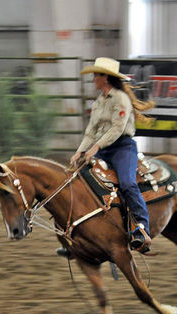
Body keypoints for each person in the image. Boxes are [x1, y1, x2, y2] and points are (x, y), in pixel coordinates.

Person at [57, 57, 154, 257]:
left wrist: (95, 147)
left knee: (127, 183)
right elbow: (91, 132)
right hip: (101, 148)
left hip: (122, 147)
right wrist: (80, 150)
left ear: (106, 78)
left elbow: (118, 128)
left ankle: (142, 227)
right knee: (78, 180)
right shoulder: (98, 102)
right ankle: (78, 236)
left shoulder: (121, 99)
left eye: (97, 75)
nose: (93, 79)